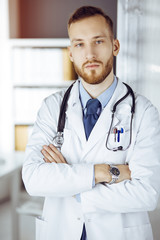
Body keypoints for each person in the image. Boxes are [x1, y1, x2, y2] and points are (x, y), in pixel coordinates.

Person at [22, 6, 160, 240]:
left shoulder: (144, 112)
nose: (89, 54)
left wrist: (72, 187)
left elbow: (147, 194)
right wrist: (104, 172)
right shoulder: (52, 107)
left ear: (114, 46)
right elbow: (34, 180)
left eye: (98, 41)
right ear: (70, 52)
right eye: (79, 44)